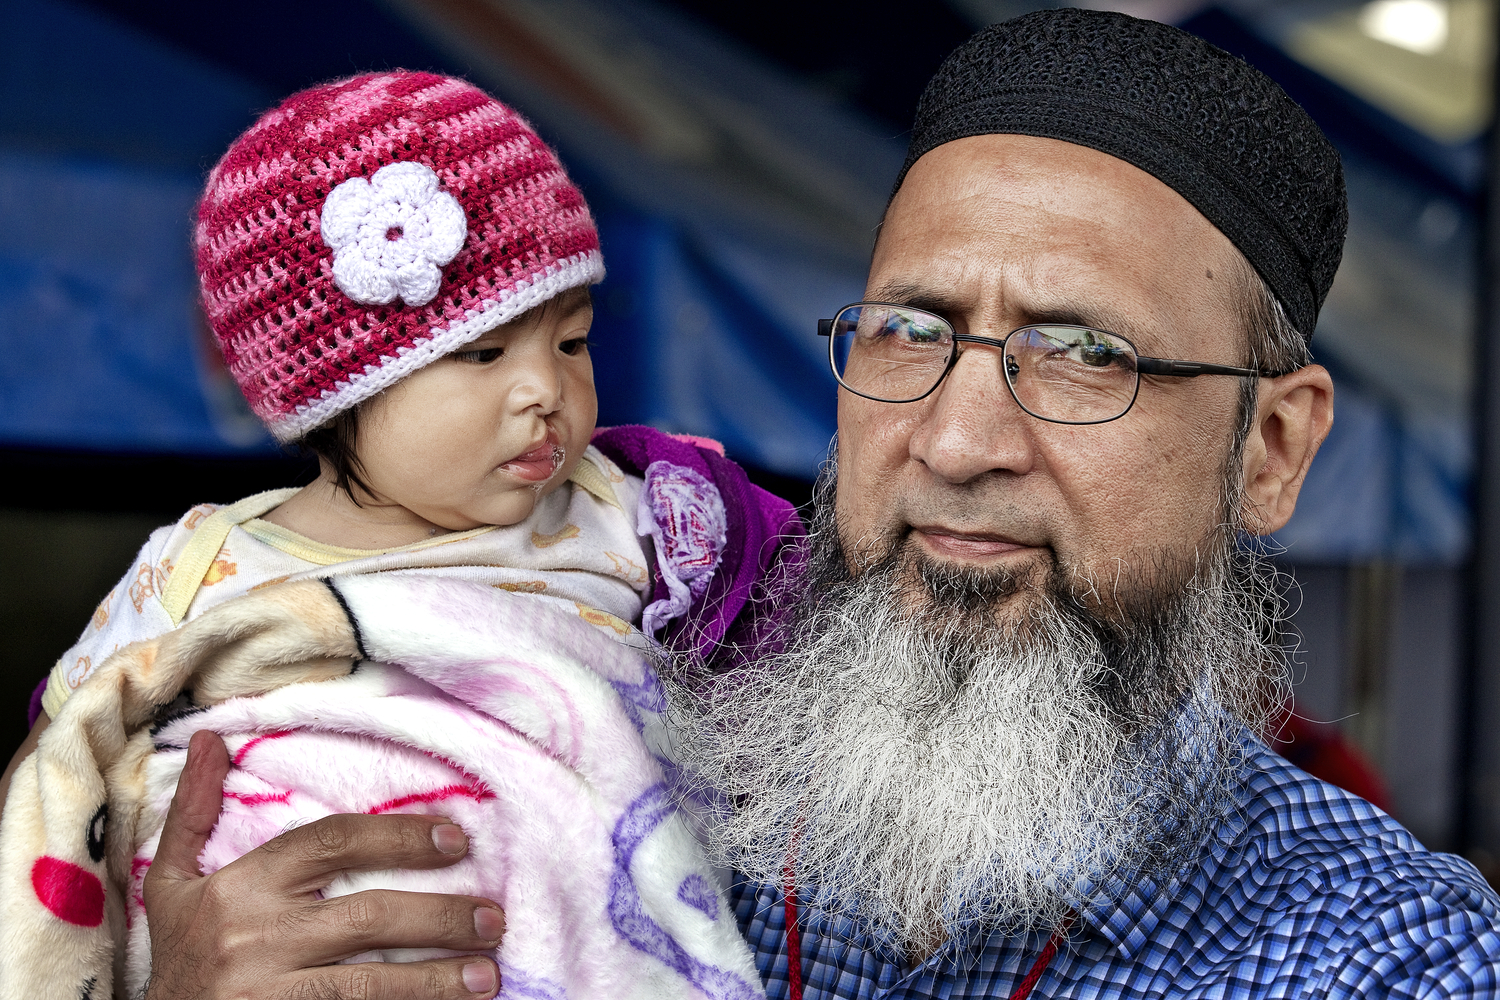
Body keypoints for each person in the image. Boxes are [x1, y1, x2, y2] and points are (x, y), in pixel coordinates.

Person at [71, 10, 1500, 1000]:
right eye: (907, 331)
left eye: (1084, 355)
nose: (954, 437)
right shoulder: (616, 737)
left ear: (1272, 450)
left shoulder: (1388, 959)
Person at [0, 71, 795, 999]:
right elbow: (64, 760)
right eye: (484, 354)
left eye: (571, 343)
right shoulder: (201, 570)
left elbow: (784, 630)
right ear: (333, 398)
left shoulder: (632, 511)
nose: (546, 392)